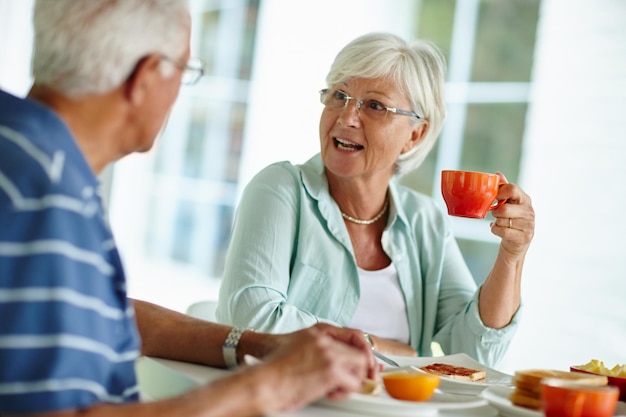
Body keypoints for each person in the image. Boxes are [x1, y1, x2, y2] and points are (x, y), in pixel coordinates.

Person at [0, 1, 377, 416]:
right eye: (185, 69)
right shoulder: (44, 200)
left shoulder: (25, 153)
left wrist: (261, 345)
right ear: (145, 77)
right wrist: (269, 387)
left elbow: (97, 313)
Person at [216, 32, 535, 367]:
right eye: (339, 95)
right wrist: (373, 345)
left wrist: (511, 257)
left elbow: (475, 353)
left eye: (374, 106)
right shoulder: (279, 190)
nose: (346, 117)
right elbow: (253, 318)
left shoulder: (424, 219)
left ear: (415, 134)